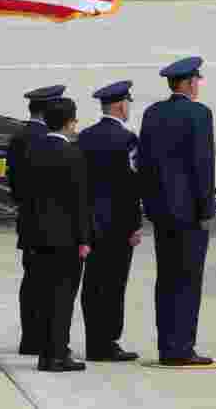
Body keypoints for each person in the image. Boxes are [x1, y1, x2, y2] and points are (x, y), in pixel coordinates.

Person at [137, 56, 216, 366]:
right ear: (188, 82)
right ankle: (181, 348)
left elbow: (144, 163)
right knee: (187, 280)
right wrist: (206, 209)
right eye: (197, 80)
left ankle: (167, 344)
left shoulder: (153, 113)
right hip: (190, 213)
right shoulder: (199, 114)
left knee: (166, 279)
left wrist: (151, 203)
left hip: (161, 211)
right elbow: (202, 166)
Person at [19, 97, 92, 372]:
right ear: (68, 122)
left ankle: (45, 352)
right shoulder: (72, 154)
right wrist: (84, 238)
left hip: (36, 236)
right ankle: (56, 354)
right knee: (62, 300)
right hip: (65, 239)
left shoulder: (32, 151)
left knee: (44, 296)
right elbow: (79, 201)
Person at [77, 81, 143, 362]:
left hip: (90, 223)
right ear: (120, 105)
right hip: (118, 224)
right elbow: (132, 185)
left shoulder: (85, 137)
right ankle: (108, 342)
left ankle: (94, 340)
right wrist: (136, 223)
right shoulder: (128, 139)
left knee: (92, 284)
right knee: (114, 284)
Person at [7, 85, 65, 356]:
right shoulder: (47, 139)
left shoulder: (19, 136)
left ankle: (30, 338)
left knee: (32, 280)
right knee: (49, 283)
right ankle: (43, 338)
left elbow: (15, 184)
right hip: (50, 221)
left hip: (28, 218)